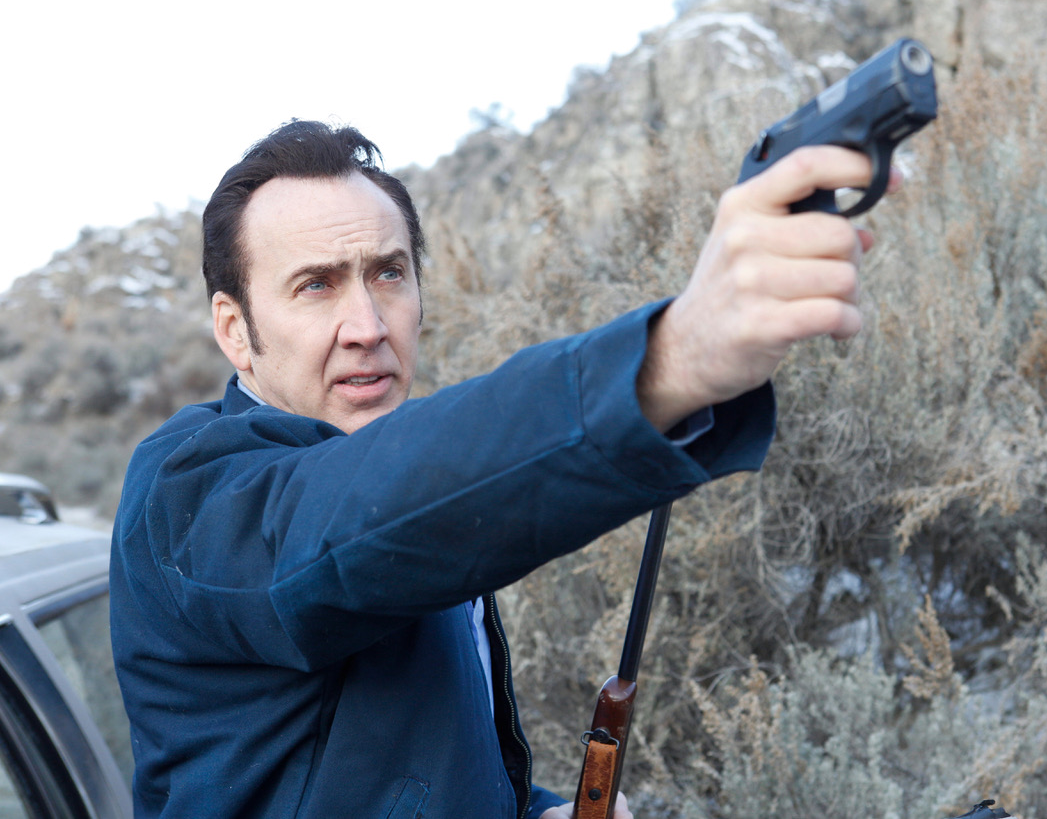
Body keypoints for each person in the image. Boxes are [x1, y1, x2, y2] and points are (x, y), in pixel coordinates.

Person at [109, 119, 888, 818]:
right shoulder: (185, 493)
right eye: (316, 285)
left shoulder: (415, 484)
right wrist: (672, 358)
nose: (368, 326)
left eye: (389, 272)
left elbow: (420, 765)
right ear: (235, 330)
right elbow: (342, 526)